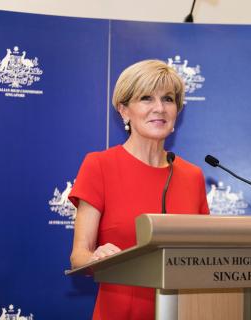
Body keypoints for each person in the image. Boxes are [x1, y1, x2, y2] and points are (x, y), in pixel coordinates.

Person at [68, 59, 210, 320]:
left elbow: (206, 257)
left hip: (185, 312)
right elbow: (79, 256)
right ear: (124, 110)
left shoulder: (192, 176)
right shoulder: (99, 165)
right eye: (146, 98)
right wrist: (96, 257)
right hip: (120, 312)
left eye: (168, 99)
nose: (160, 108)